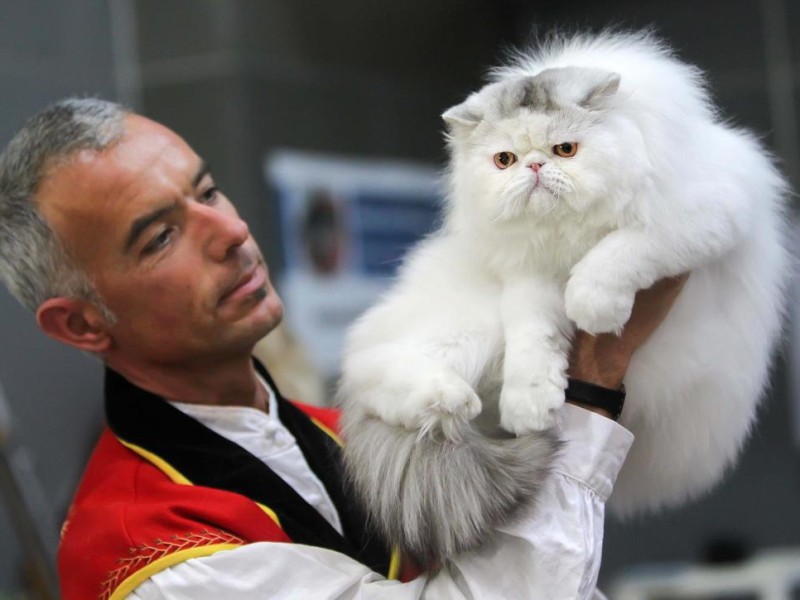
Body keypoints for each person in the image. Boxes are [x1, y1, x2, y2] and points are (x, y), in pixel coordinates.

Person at [0, 98, 686, 599]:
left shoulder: (337, 433)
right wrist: (593, 379)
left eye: (207, 191)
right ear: (82, 325)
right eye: (159, 237)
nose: (230, 232)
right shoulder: (156, 553)